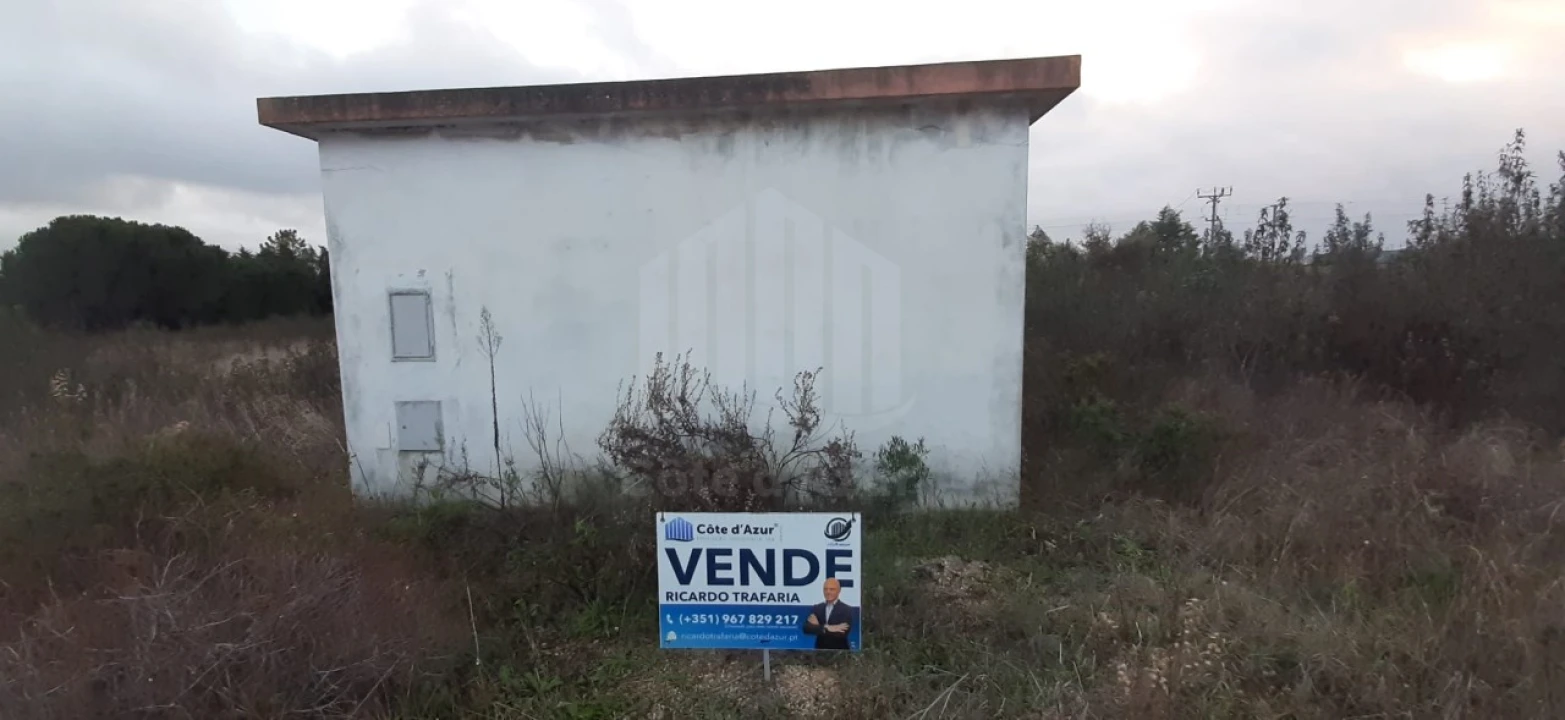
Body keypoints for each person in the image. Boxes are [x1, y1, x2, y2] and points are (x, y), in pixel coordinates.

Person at [802, 577, 857, 650]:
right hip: (820, 651)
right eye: (825, 589)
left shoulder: (846, 609)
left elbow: (841, 633)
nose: (828, 592)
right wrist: (827, 627)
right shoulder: (817, 608)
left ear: (839, 591)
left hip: (840, 652)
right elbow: (806, 628)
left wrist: (819, 628)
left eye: (832, 589)